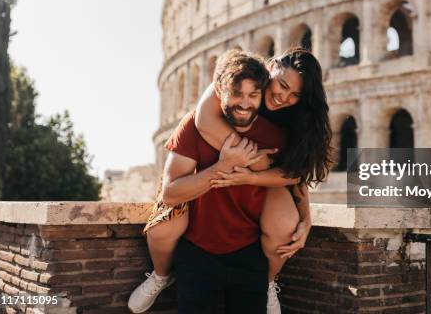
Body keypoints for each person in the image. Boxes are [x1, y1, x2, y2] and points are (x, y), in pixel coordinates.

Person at [128, 48, 332, 313]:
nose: (284, 97)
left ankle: (269, 281)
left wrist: (306, 218)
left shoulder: (290, 122)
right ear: (270, 68)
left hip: (252, 214)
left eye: (294, 94)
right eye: (281, 85)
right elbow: (203, 119)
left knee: (286, 226)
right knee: (163, 227)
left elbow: (296, 175)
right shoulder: (228, 87)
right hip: (201, 224)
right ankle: (161, 274)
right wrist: (236, 163)